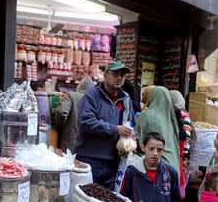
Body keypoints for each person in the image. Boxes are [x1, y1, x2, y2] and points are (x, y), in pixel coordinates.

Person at [75, 61, 136, 189]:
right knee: (87, 201)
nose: (119, 78)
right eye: (115, 74)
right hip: (90, 159)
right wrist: (115, 129)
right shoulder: (92, 95)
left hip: (114, 162)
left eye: (123, 75)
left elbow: (131, 126)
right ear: (105, 75)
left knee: (108, 200)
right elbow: (86, 122)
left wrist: (129, 145)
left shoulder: (126, 99)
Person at [120, 132, 181, 202]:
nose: (155, 153)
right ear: (143, 147)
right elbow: (123, 198)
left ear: (163, 150)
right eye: (151, 149)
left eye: (159, 150)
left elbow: (177, 200)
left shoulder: (170, 172)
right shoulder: (132, 172)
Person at [136, 86, 181, 176]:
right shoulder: (171, 118)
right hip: (174, 168)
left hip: (156, 168)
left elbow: (137, 142)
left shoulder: (146, 116)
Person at [54, 77, 94, 153]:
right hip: (89, 148)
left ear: (79, 86)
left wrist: (60, 125)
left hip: (70, 144)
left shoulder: (71, 96)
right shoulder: (95, 100)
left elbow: (61, 112)